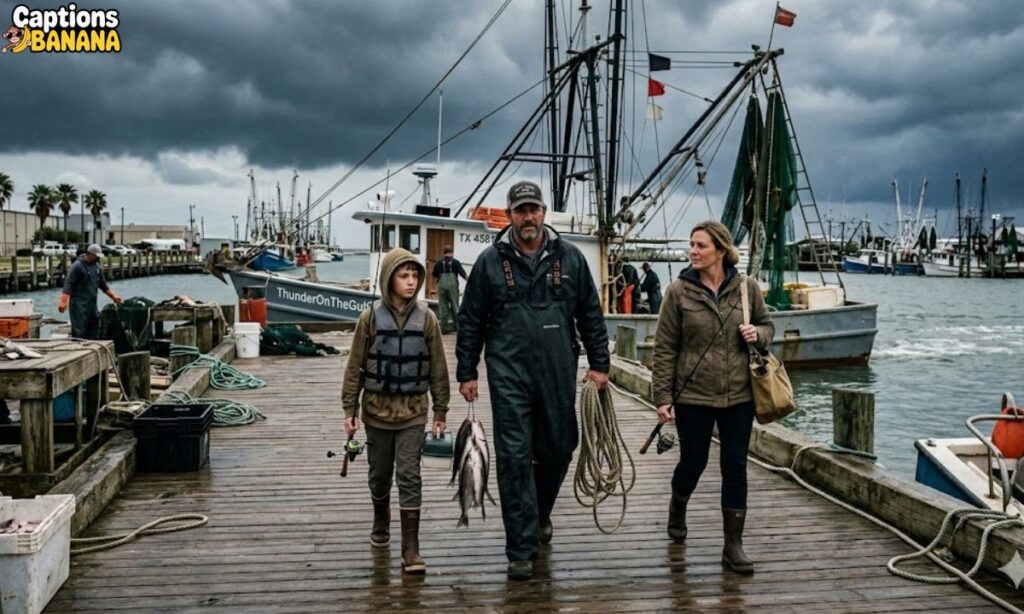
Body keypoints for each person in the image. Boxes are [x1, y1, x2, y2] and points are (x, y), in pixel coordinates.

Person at [456, 180, 610, 581]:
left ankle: (540, 513)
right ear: (510, 216)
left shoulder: (571, 258)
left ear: (543, 213)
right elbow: (470, 321)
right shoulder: (490, 262)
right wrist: (467, 370)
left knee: (560, 447)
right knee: (513, 456)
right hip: (509, 373)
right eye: (521, 211)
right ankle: (520, 546)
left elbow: (591, 315)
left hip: (558, 370)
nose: (528, 218)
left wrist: (600, 364)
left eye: (534, 210)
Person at [651, 220, 774, 574]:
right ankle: (678, 506)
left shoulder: (747, 288)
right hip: (693, 396)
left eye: (700, 245)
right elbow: (664, 349)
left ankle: (733, 545)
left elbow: (768, 325)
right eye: (691, 244)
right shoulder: (678, 292)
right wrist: (662, 397)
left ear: (721, 250)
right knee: (694, 461)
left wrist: (758, 334)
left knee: (734, 467)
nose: (693, 251)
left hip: (739, 395)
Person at [341, 247, 450, 575]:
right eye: (404, 275)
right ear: (389, 278)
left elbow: (439, 369)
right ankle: (380, 519)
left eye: (415, 275)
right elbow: (355, 366)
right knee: (379, 476)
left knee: (409, 475)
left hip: (414, 412)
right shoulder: (370, 318)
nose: (411, 281)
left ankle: (410, 548)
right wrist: (349, 407)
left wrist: (440, 410)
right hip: (376, 411)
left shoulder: (428, 319)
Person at [57, 243, 122, 338]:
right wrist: (63, 302)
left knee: (93, 329)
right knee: (79, 330)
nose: (98, 258)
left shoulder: (97, 267)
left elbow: (103, 285)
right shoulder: (77, 266)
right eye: (96, 256)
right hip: (79, 306)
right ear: (90, 254)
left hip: (92, 305)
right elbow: (68, 284)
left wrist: (114, 296)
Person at [431, 245, 468, 334]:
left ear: (443, 253)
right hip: (453, 286)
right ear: (452, 252)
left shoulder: (438, 263)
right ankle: (457, 328)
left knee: (443, 307)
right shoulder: (456, 262)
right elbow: (464, 274)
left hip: (442, 286)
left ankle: (444, 329)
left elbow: (434, 275)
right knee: (455, 307)